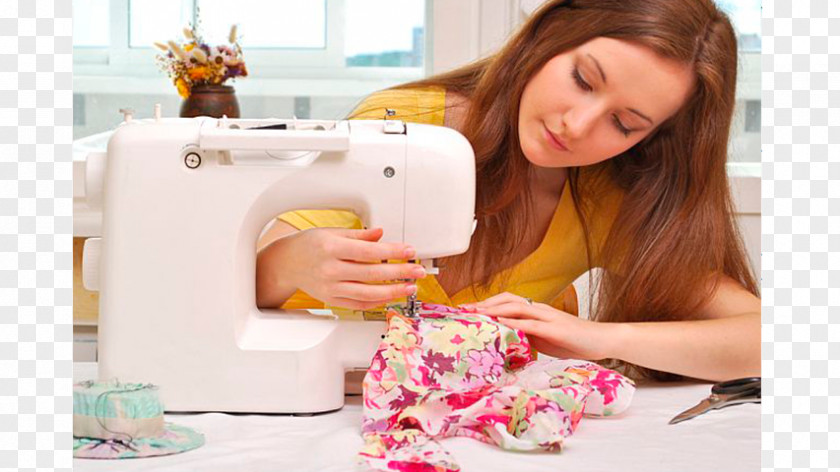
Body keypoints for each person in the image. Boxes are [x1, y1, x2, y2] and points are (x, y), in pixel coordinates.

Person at [255, 0, 760, 383]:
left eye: (624, 124)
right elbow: (227, 286)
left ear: (652, 141)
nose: (578, 125)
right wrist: (292, 264)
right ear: (550, 36)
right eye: (583, 80)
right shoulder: (402, 125)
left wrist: (601, 338)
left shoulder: (605, 201)